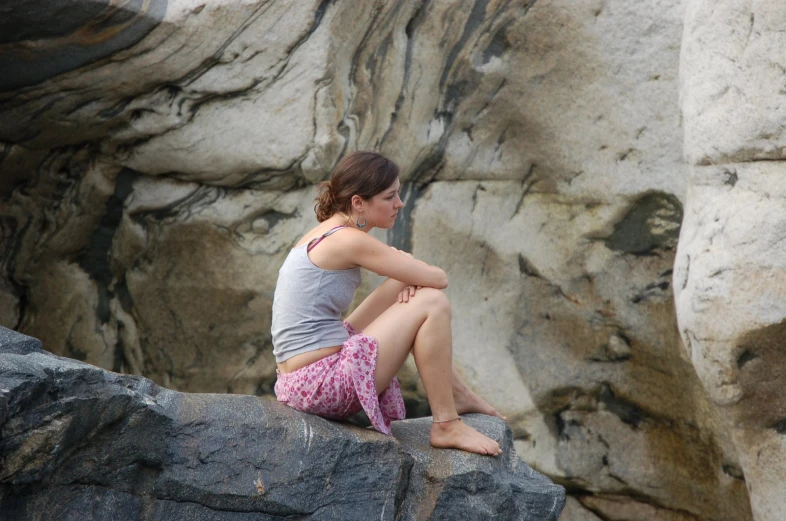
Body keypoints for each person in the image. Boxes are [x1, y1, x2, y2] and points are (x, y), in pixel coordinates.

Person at [271, 151, 505, 456]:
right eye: (390, 196)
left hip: (298, 382)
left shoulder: (324, 233)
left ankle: (458, 393)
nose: (400, 203)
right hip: (320, 383)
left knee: (416, 293)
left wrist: (403, 282)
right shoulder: (348, 239)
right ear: (358, 202)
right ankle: (447, 424)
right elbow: (439, 278)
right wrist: (408, 271)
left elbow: (355, 321)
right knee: (433, 301)